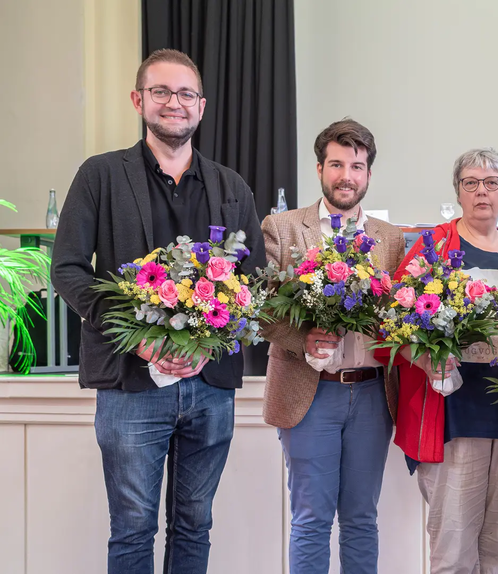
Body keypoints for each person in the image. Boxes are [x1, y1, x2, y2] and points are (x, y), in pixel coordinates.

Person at [51, 49, 266, 573]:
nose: (175, 103)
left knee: (195, 524)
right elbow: (69, 269)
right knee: (131, 528)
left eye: (186, 94)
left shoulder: (231, 186)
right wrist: (139, 338)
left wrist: (210, 342)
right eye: (162, 92)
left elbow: (254, 282)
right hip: (129, 383)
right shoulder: (100, 175)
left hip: (210, 383)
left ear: (202, 106)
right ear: (138, 100)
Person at [260, 119, 405, 574]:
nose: (347, 175)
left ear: (368, 174)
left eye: (357, 166)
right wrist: (303, 337)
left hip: (371, 395)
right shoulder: (282, 228)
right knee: (311, 519)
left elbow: (400, 316)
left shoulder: (392, 238)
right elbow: (261, 309)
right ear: (320, 168)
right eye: (338, 164)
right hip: (310, 392)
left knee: (362, 519)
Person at [385, 148, 498, 574]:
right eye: (471, 183)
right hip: (453, 417)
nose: (481, 191)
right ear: (458, 193)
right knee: (453, 550)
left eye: (491, 183)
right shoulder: (434, 248)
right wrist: (427, 359)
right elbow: (392, 327)